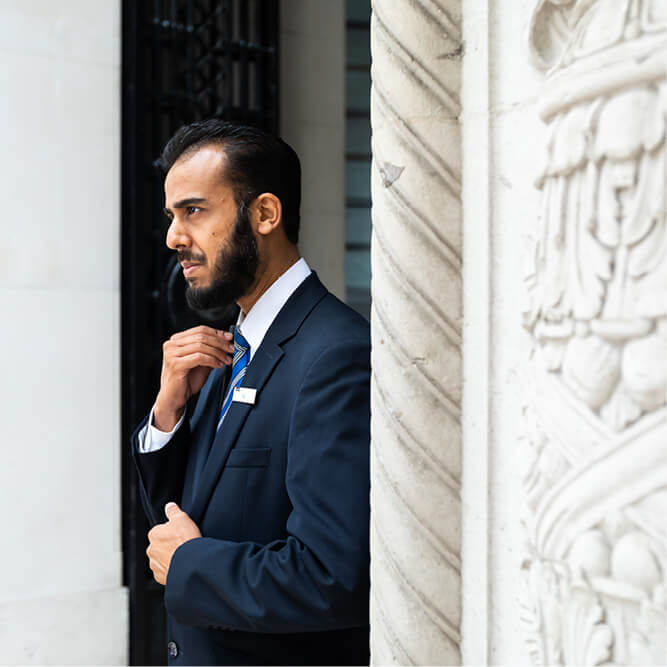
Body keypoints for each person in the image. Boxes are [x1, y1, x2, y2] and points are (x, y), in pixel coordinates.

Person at [131, 120, 371, 666]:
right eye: (172, 216)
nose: (173, 237)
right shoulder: (232, 348)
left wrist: (190, 566)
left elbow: (333, 577)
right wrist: (166, 416)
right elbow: (182, 520)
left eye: (193, 210)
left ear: (265, 214)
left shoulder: (335, 355)